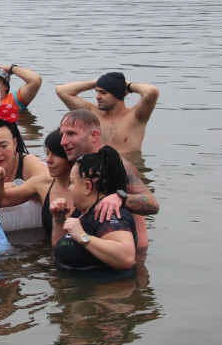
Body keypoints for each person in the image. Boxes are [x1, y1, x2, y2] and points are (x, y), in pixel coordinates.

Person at [58, 109, 158, 250]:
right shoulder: (78, 163)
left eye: (71, 134)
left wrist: (121, 197)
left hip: (120, 248)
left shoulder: (117, 165)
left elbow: (153, 204)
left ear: (94, 135)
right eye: (61, 134)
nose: (63, 141)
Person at [49, 146, 137, 276]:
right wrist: (58, 219)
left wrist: (82, 236)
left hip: (102, 293)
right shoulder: (87, 213)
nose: (69, 188)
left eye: (72, 182)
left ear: (87, 187)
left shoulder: (107, 212)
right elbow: (61, 248)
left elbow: (126, 257)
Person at [55, 71, 159, 153]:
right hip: (100, 169)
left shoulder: (136, 116)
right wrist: (98, 82)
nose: (97, 96)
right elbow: (62, 91)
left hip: (129, 171)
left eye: (103, 92)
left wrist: (128, 86)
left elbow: (151, 92)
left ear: (117, 94)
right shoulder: (91, 114)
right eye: (97, 91)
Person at [0, 130, 74, 235]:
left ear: (70, 155)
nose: (49, 160)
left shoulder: (88, 187)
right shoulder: (42, 184)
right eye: (47, 153)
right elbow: (1, 200)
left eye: (55, 155)